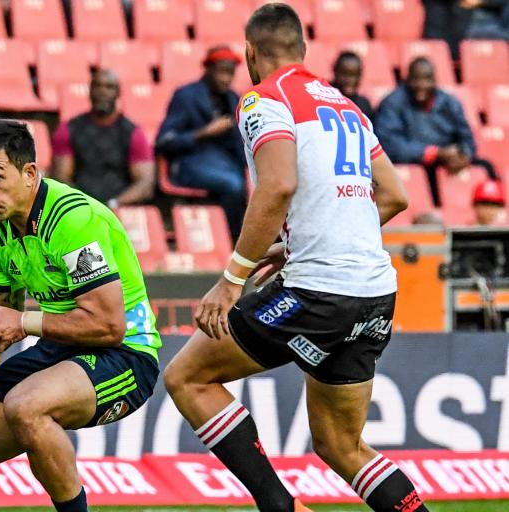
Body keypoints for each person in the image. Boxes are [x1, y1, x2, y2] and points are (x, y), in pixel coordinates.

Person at [163, 4, 426, 512]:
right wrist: (310, 239)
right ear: (304, 52)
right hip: (374, 295)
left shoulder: (264, 99)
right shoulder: (347, 106)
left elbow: (278, 185)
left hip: (318, 291)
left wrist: (231, 278)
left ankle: (279, 507)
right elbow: (392, 195)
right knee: (340, 445)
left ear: (250, 53)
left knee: (187, 377)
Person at [0, 120, 162, 512]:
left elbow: (107, 326)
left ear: (30, 173)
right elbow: (3, 320)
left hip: (126, 354)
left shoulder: (73, 221)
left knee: (27, 405)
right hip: (60, 348)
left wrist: (19, 323)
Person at [375, 57, 496, 206]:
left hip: (447, 162)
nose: (421, 85)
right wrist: (434, 153)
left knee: (485, 166)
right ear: (406, 79)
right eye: (415, 79)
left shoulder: (450, 102)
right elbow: (389, 144)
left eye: (426, 79)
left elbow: (468, 139)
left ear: (434, 80)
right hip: (414, 163)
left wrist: (463, 154)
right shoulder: (392, 103)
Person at [156, 45, 247, 242]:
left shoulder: (232, 99)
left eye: (230, 73)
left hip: (225, 163)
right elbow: (164, 142)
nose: (226, 78)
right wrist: (204, 133)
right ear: (208, 69)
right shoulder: (186, 96)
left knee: (252, 184)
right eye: (222, 72)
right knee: (232, 184)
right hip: (189, 163)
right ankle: (233, 241)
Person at [51, 69, 155, 209]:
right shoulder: (68, 129)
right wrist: (84, 205)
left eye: (109, 87)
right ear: (90, 91)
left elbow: (145, 183)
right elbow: (61, 178)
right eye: (97, 86)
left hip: (119, 207)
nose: (102, 91)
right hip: (78, 208)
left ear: (118, 93)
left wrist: (114, 203)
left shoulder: (133, 133)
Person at [331, 51, 374, 120]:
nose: (349, 80)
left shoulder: (364, 105)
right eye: (344, 73)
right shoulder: (322, 98)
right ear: (335, 71)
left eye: (354, 75)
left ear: (360, 75)